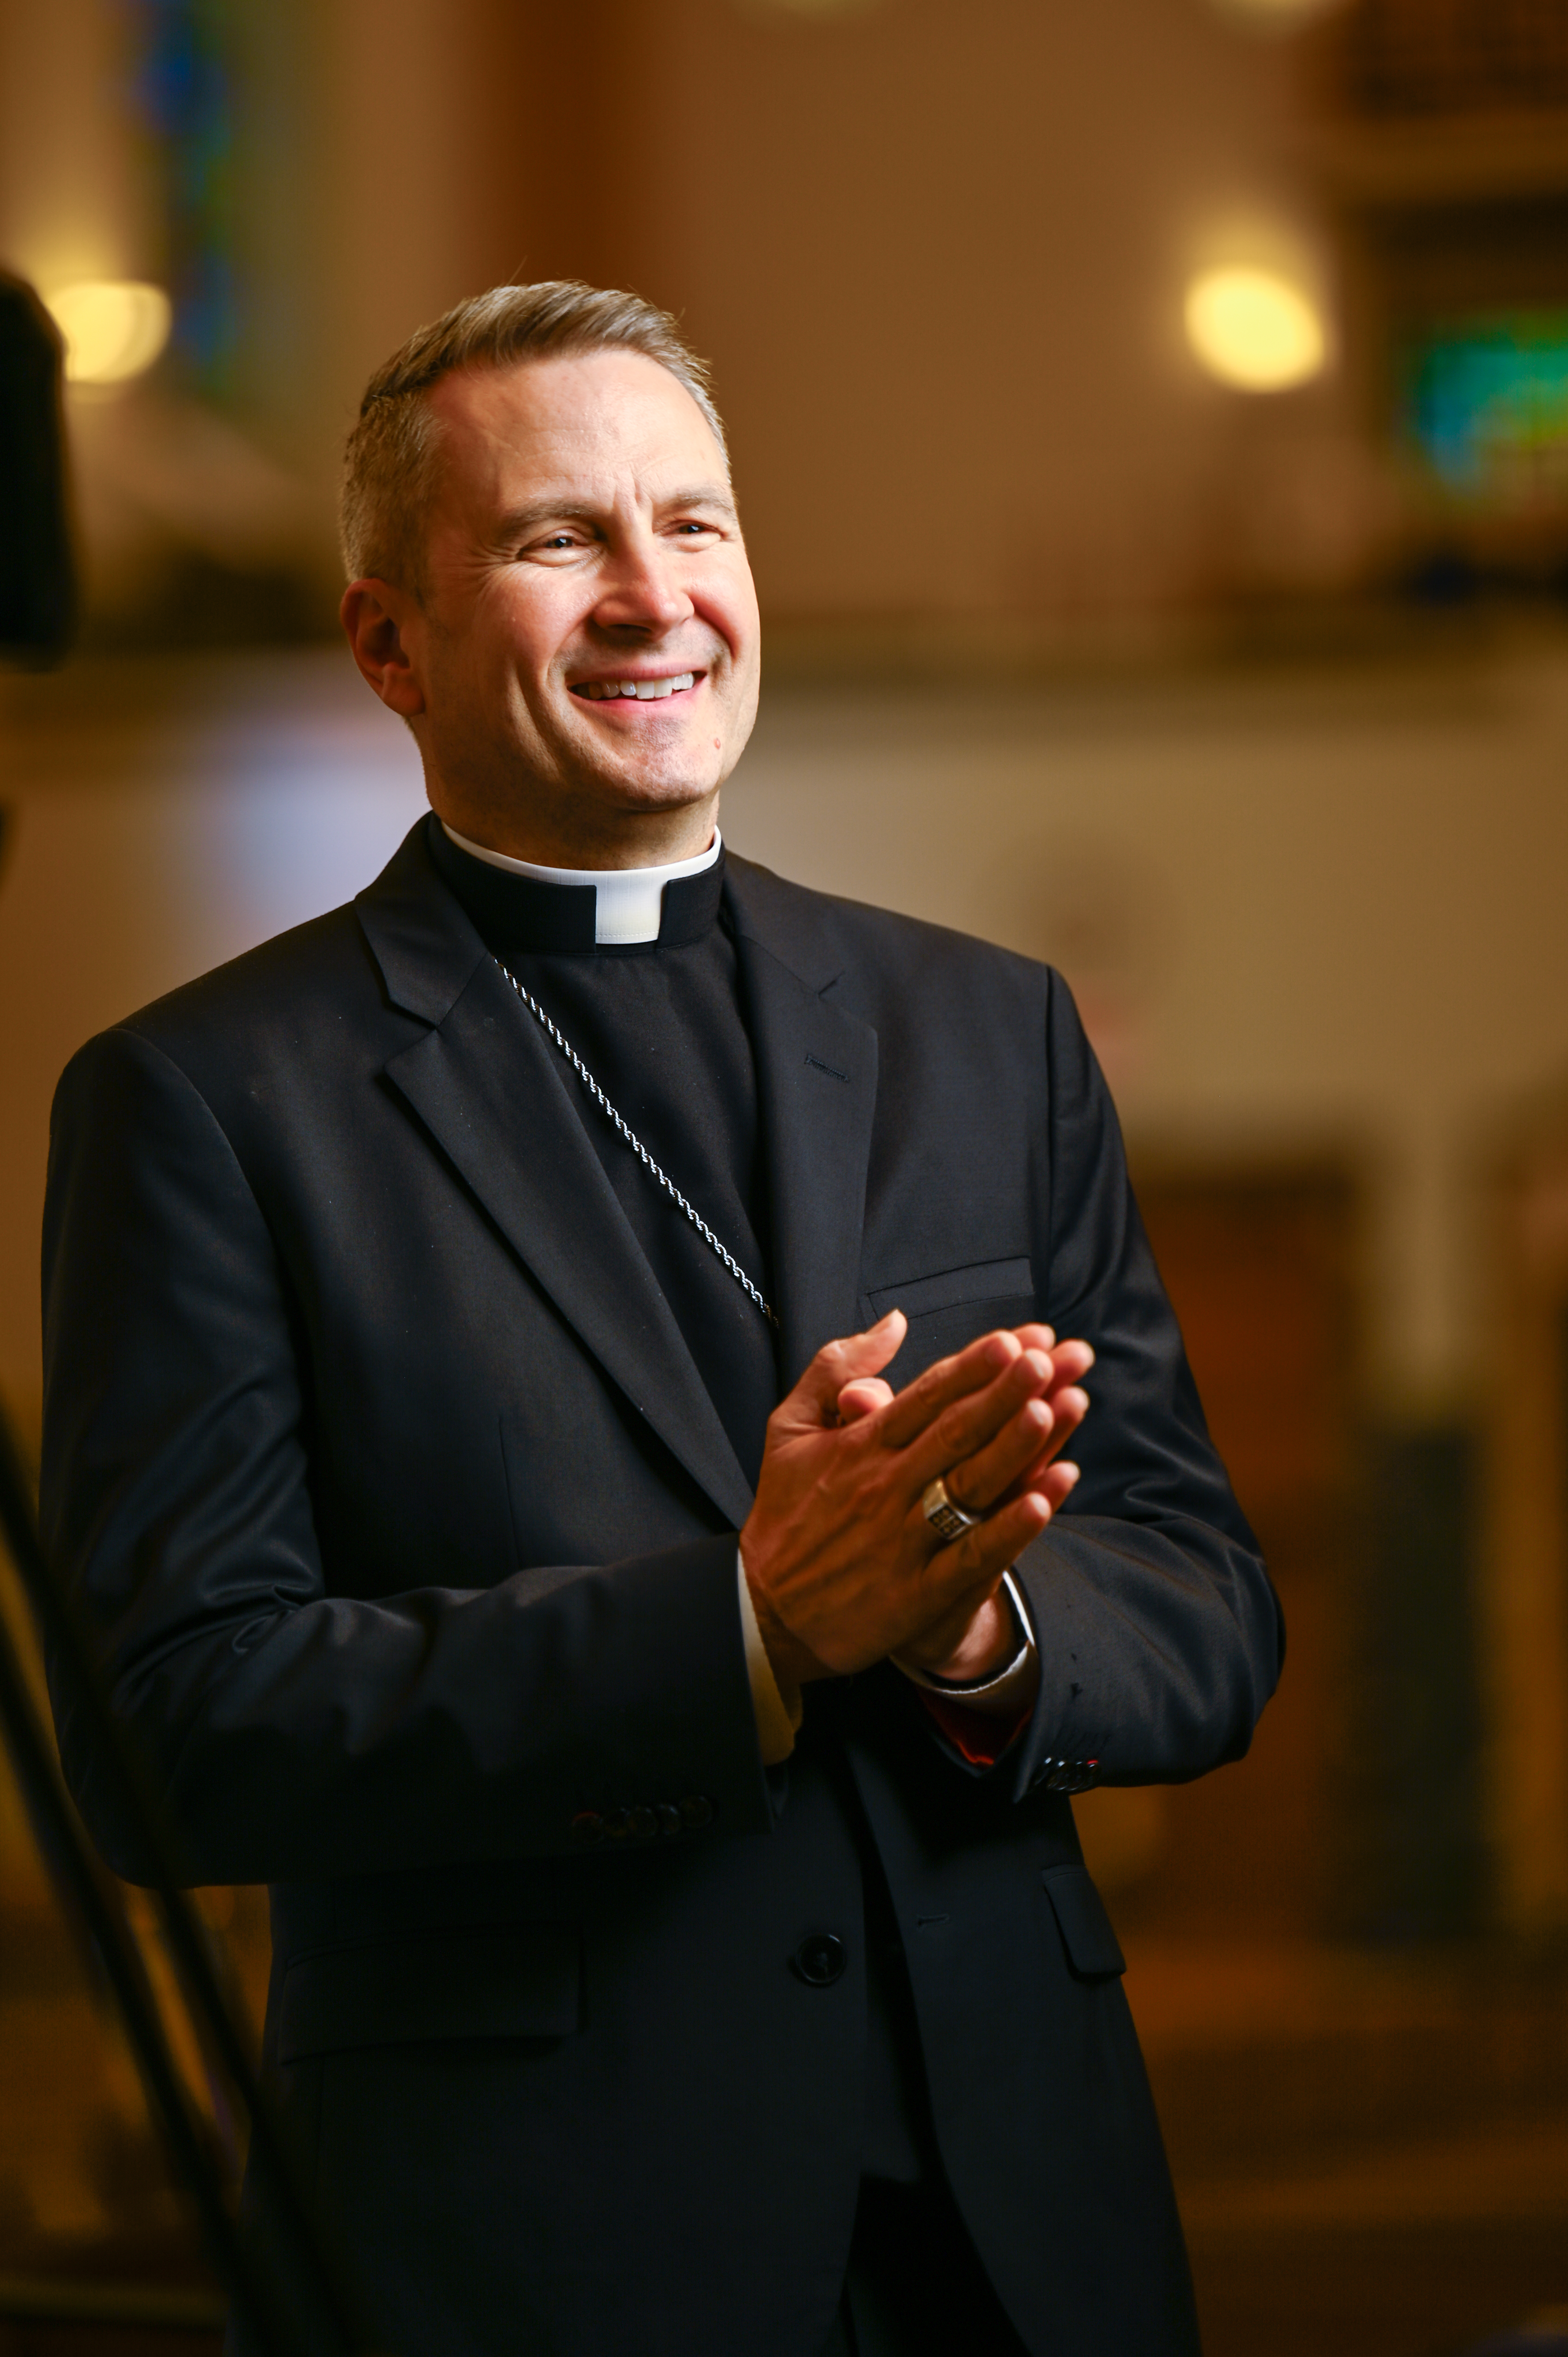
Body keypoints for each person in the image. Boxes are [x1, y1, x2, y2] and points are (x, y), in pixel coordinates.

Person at [40, 282, 1282, 2357]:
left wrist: (977, 1624)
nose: (654, 599)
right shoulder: (209, 1102)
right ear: (387, 644)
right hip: (531, 2252)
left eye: (693, 525)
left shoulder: (987, 1031)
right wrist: (745, 1633)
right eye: (556, 541)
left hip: (1023, 2237)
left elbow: (1207, 1600)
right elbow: (173, 1737)